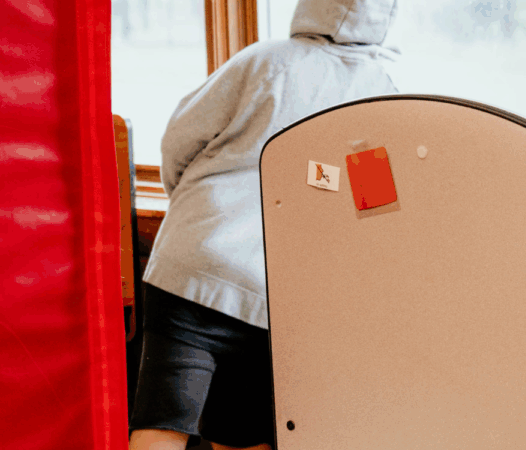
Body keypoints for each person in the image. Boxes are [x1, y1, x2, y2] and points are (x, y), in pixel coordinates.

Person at [129, 1, 400, 449]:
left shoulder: (264, 60)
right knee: (243, 436)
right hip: (272, 288)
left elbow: (180, 139)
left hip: (193, 267)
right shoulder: (382, 97)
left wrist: (193, 210)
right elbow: (372, 206)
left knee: (162, 424)